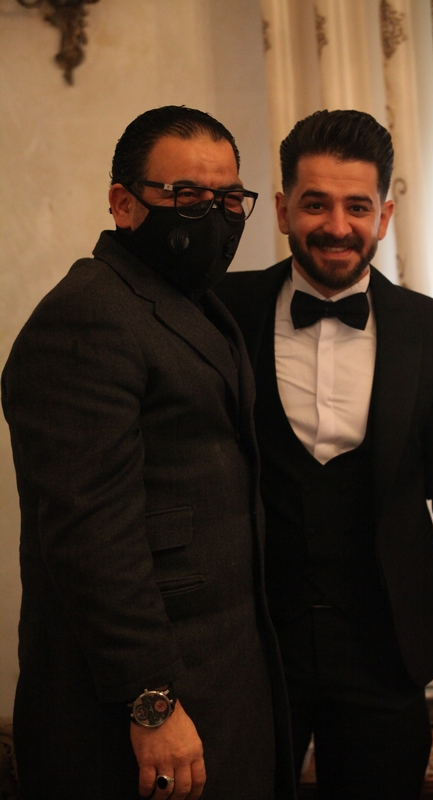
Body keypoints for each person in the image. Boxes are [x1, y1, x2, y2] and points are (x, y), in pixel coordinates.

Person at [2, 106, 294, 800]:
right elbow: (91, 539)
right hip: (134, 713)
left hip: (223, 678)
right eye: (187, 196)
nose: (213, 215)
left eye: (229, 198)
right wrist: (151, 702)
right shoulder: (87, 312)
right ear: (123, 203)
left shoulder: (194, 303)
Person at [217, 109, 433, 799]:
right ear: (282, 210)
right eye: (315, 204)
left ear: (384, 215)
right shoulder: (222, 309)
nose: (337, 226)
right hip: (254, 648)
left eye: (357, 207)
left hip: (386, 650)